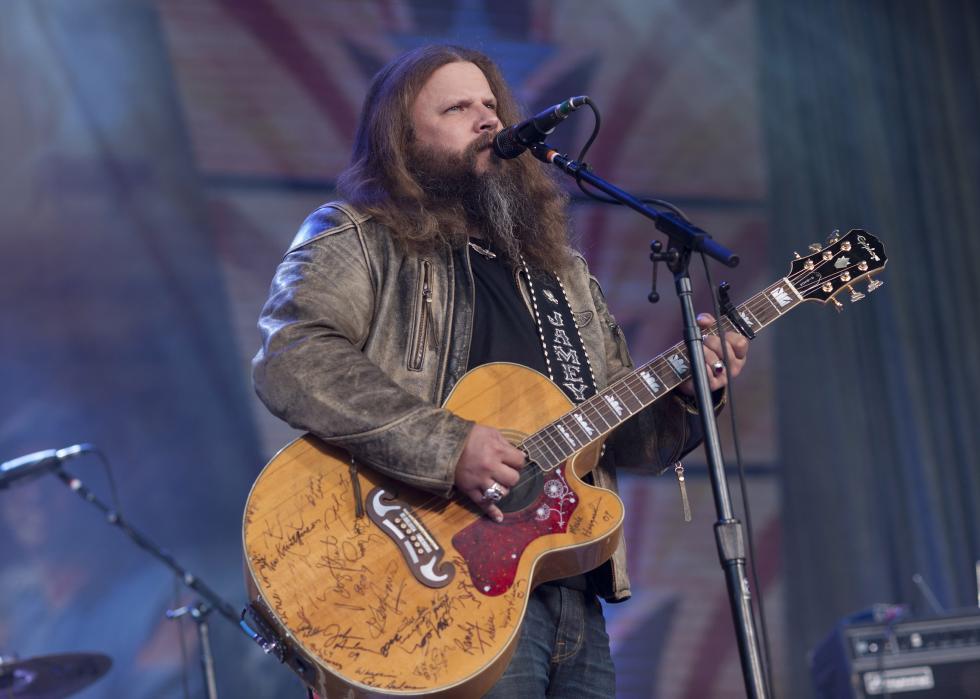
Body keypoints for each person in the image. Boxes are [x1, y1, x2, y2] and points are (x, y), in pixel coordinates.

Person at [252, 44, 748, 698]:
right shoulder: (360, 236)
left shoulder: (563, 275)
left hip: (565, 589)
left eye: (490, 105)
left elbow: (629, 439)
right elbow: (292, 354)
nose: (486, 119)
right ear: (402, 138)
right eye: (457, 108)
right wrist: (448, 445)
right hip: (430, 583)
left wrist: (691, 391)